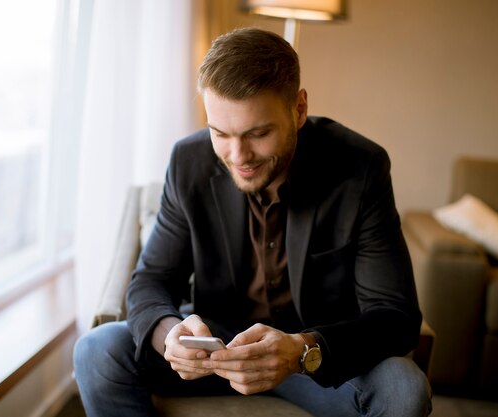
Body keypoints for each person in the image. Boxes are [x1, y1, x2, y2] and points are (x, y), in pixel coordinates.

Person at [74, 27, 432, 417]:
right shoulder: (187, 162)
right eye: (220, 133)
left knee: (404, 388)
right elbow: (152, 279)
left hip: (311, 360)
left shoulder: (360, 169)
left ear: (298, 109)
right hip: (215, 351)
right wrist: (169, 334)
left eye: (258, 133)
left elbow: (395, 315)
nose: (238, 155)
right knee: (96, 350)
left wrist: (302, 349)